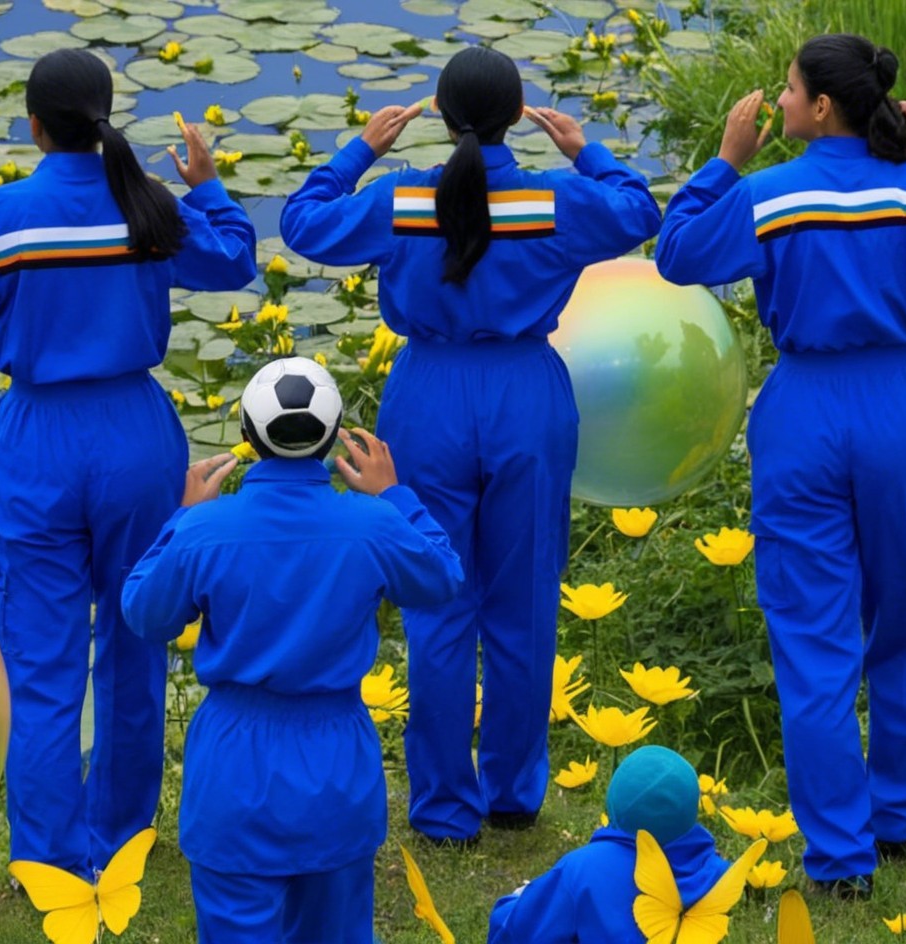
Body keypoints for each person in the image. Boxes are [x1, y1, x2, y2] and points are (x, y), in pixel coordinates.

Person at [654, 34, 906, 898]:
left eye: (787, 92)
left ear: (821, 107)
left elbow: (676, 255)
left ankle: (839, 861)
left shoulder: (766, 196)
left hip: (804, 414)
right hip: (901, 406)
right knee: (904, 619)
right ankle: (899, 819)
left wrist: (725, 160)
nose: (778, 102)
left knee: (811, 638)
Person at [0, 48, 257, 877]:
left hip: (39, 442)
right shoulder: (149, 206)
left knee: (41, 660)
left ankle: (49, 858)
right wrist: (206, 182)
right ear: (107, 117)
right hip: (136, 434)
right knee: (136, 635)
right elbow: (235, 258)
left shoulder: (5, 216)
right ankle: (123, 839)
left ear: (34, 125)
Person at [281, 44, 661, 845]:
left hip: (431, 395)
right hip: (525, 392)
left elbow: (301, 224)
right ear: (517, 112)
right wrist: (582, 147)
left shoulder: (400, 199)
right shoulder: (555, 200)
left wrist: (361, 148)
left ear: (444, 117)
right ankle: (515, 791)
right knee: (523, 600)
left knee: (437, 601)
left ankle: (444, 805)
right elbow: (639, 210)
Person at [121, 357, 464, 944]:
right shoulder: (372, 525)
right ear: (331, 439)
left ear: (250, 440)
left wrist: (181, 517)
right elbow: (443, 578)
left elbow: (143, 612)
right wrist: (396, 496)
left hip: (233, 771)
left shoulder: (208, 531)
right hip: (338, 769)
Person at [487, 746, 730, 943]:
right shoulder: (714, 871)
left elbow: (522, 932)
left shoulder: (584, 868)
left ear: (614, 799)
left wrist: (512, 903)